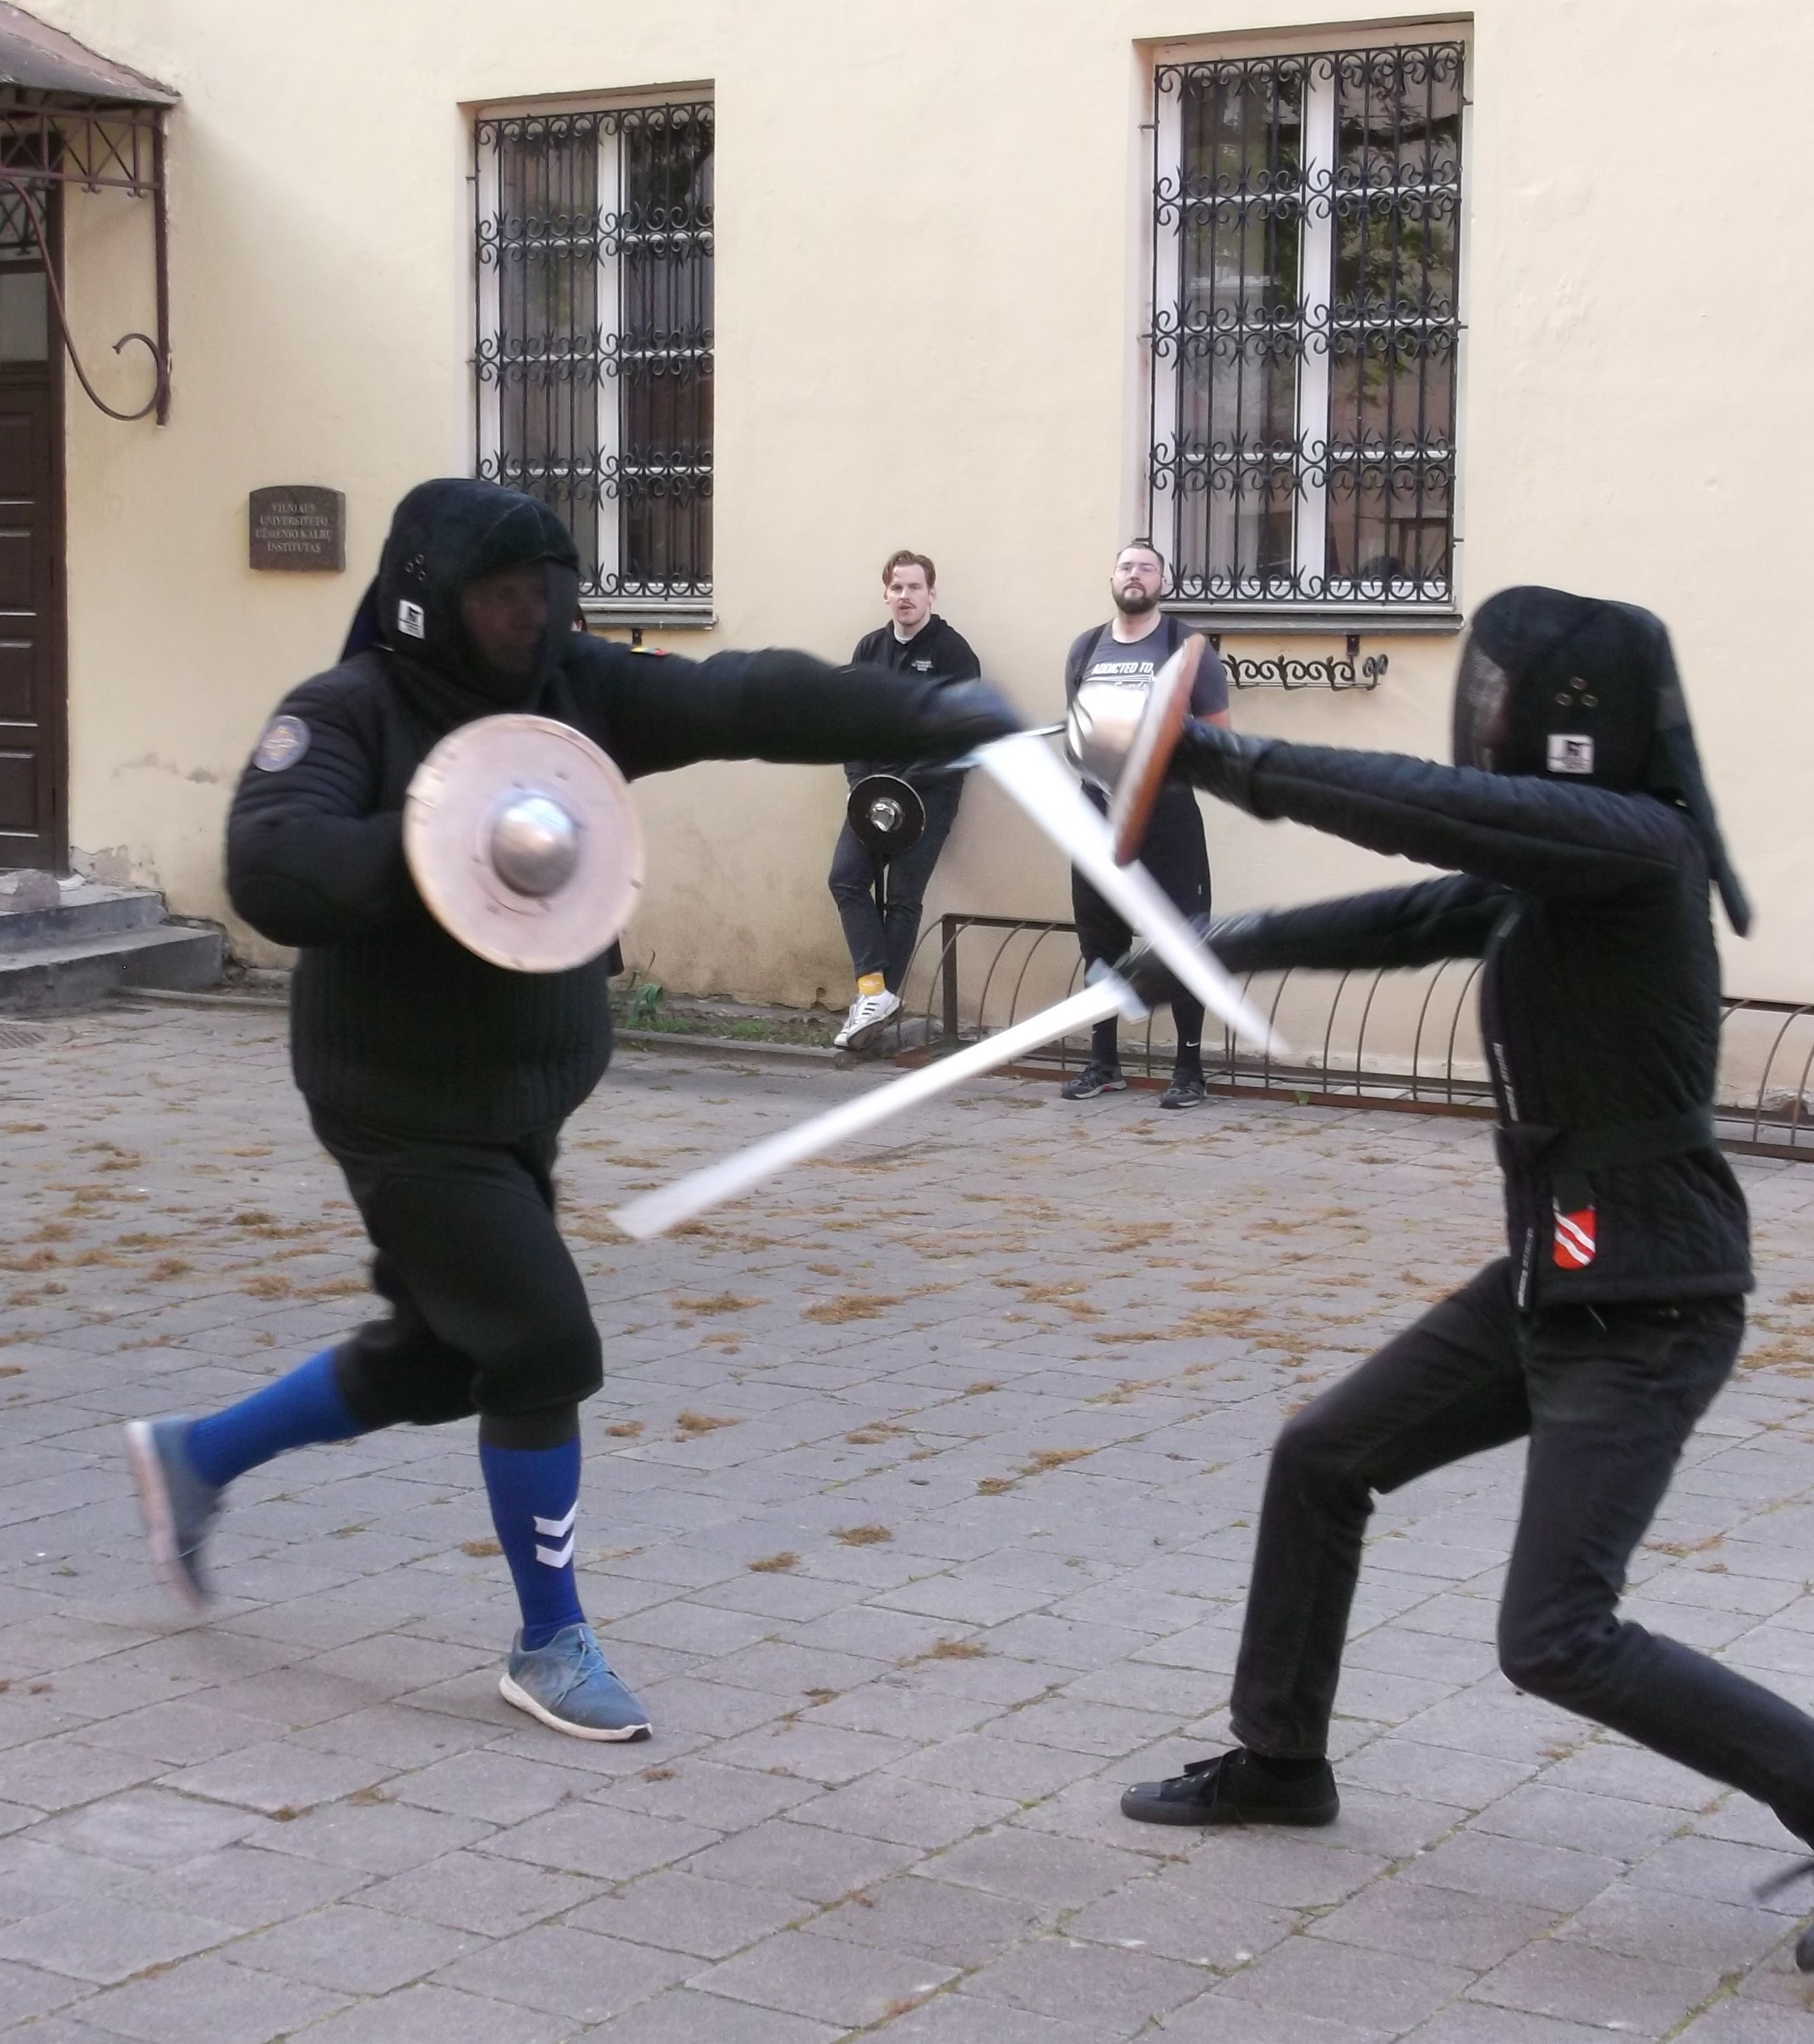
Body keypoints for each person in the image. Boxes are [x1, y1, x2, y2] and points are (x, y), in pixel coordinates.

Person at [1112, 585, 1814, 1974]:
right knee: (1322, 1457)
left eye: (1505, 697)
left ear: (1573, 719)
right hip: (1553, 1276)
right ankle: (1278, 1761)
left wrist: (1219, 756)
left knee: (1556, 1634)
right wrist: (1219, 949)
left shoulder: (1631, 846)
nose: (1485, 715)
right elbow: (1413, 909)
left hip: (1650, 1306)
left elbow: (1434, 814)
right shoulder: (1552, 873)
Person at [124, 480, 1019, 1743]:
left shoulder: (572, 687)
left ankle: (195, 1457)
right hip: (400, 1100)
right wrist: (446, 835)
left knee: (443, 1355)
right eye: (501, 597)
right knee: (543, 1343)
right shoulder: (346, 711)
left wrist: (926, 709)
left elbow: (740, 698)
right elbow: (270, 865)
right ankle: (548, 1640)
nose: (529, 618)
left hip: (523, 1090)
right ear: (432, 601)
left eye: (545, 593)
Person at [1060, 538, 1231, 1109]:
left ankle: (1189, 1071)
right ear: (1113, 580)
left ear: (1163, 583)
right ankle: (1104, 1063)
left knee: (1180, 938)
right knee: (1100, 943)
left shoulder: (1188, 648)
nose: (1134, 575)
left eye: (1146, 568)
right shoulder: (1086, 649)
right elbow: (1079, 731)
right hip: (1097, 814)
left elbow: (1221, 739)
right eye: (1126, 567)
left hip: (1168, 815)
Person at [826, 549, 981, 1051]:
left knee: (902, 897)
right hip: (873, 793)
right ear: (885, 593)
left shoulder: (954, 653)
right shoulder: (869, 649)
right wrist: (860, 782)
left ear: (931, 593)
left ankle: (878, 1001)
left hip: (928, 794)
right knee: (846, 878)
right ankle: (875, 991)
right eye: (897, 587)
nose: (905, 596)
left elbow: (962, 735)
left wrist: (910, 782)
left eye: (915, 587)